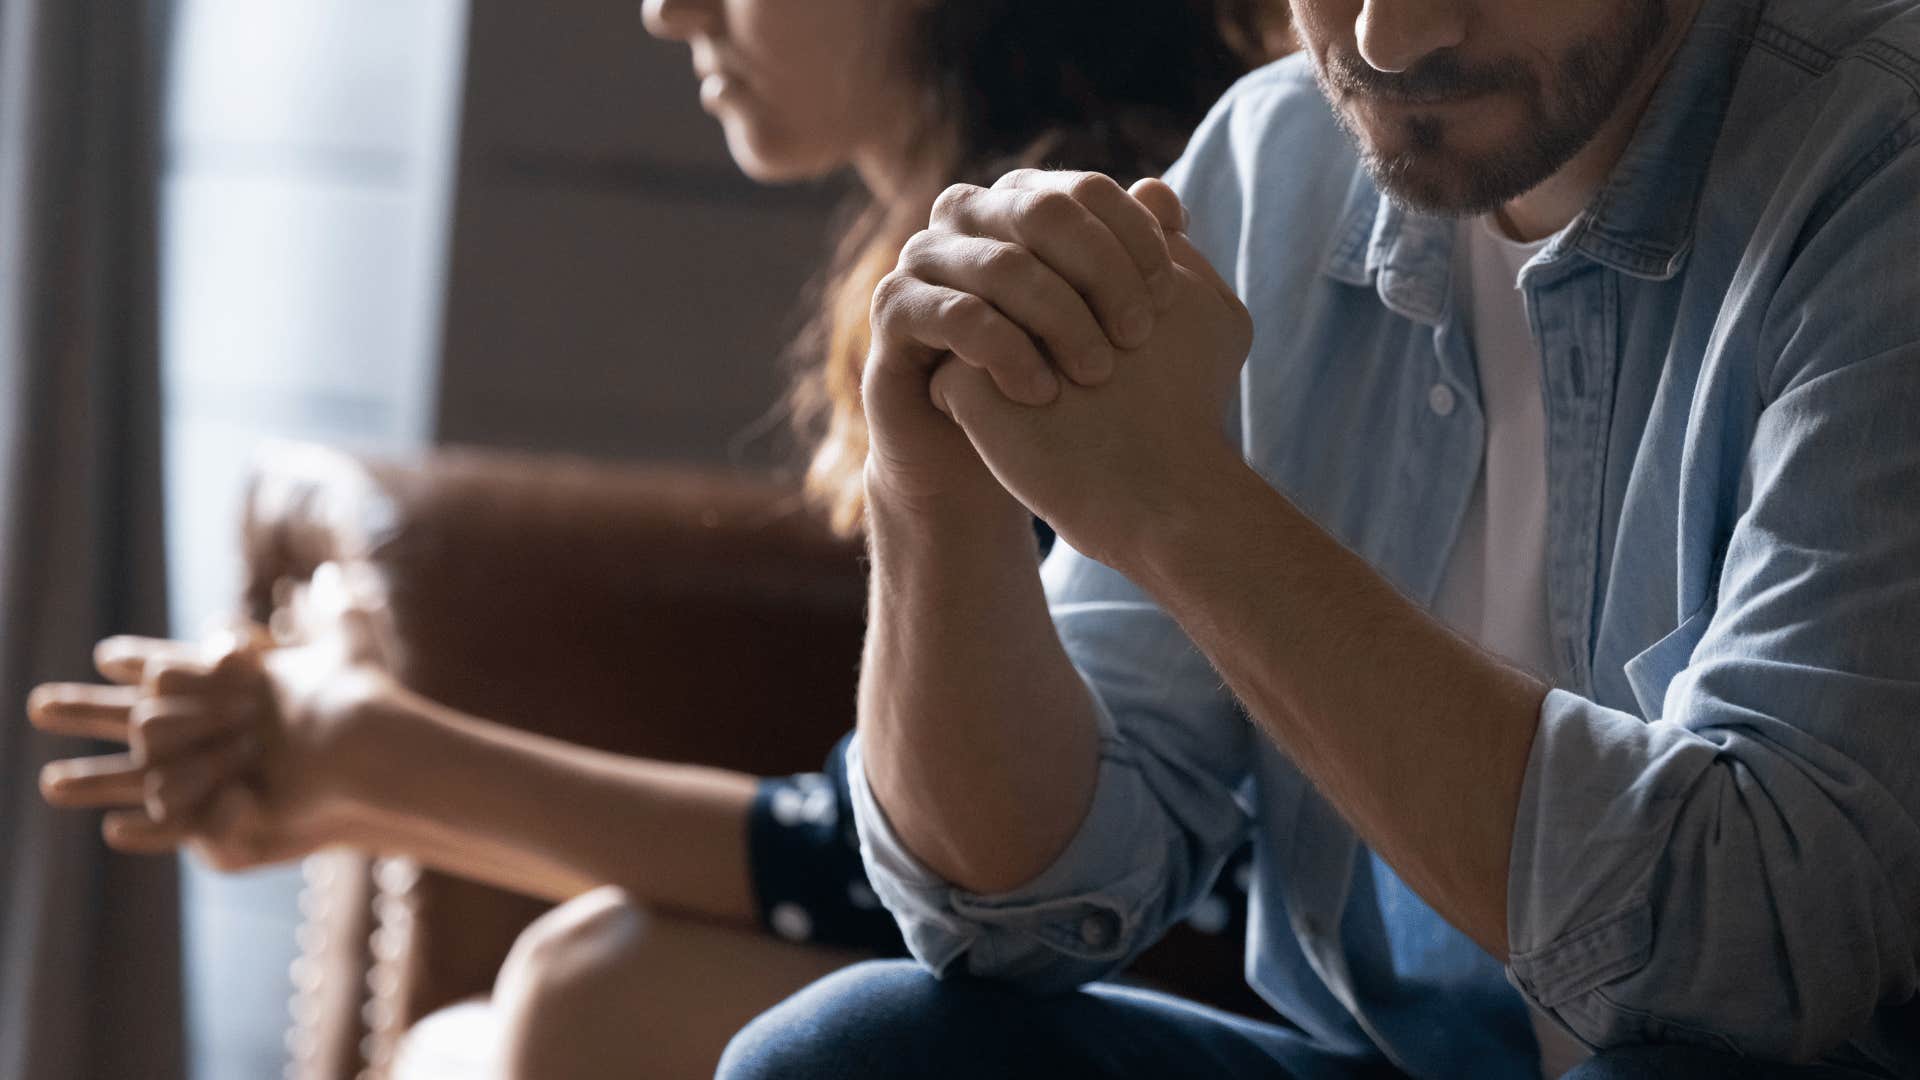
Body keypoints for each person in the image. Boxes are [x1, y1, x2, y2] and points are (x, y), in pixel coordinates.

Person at [22, 2, 1281, 1077]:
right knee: (531, 1016)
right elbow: (881, 846)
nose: (669, 12)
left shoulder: (1098, 259)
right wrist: (348, 773)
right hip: (1070, 947)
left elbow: (937, 871)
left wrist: (375, 763)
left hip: (1218, 976)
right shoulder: (971, 250)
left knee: (597, 990)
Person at [713, 0, 1920, 1077]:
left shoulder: (1881, 158)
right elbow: (1013, 904)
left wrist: (1185, 509)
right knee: (843, 1055)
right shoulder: (1277, 154)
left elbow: (1761, 955)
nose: (1393, 39)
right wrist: (933, 496)